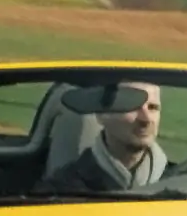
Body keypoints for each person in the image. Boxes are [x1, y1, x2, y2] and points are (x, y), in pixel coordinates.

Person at [39, 82, 169, 194]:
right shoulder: (61, 190)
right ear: (102, 115)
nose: (146, 119)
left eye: (153, 108)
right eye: (133, 106)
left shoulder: (178, 182)